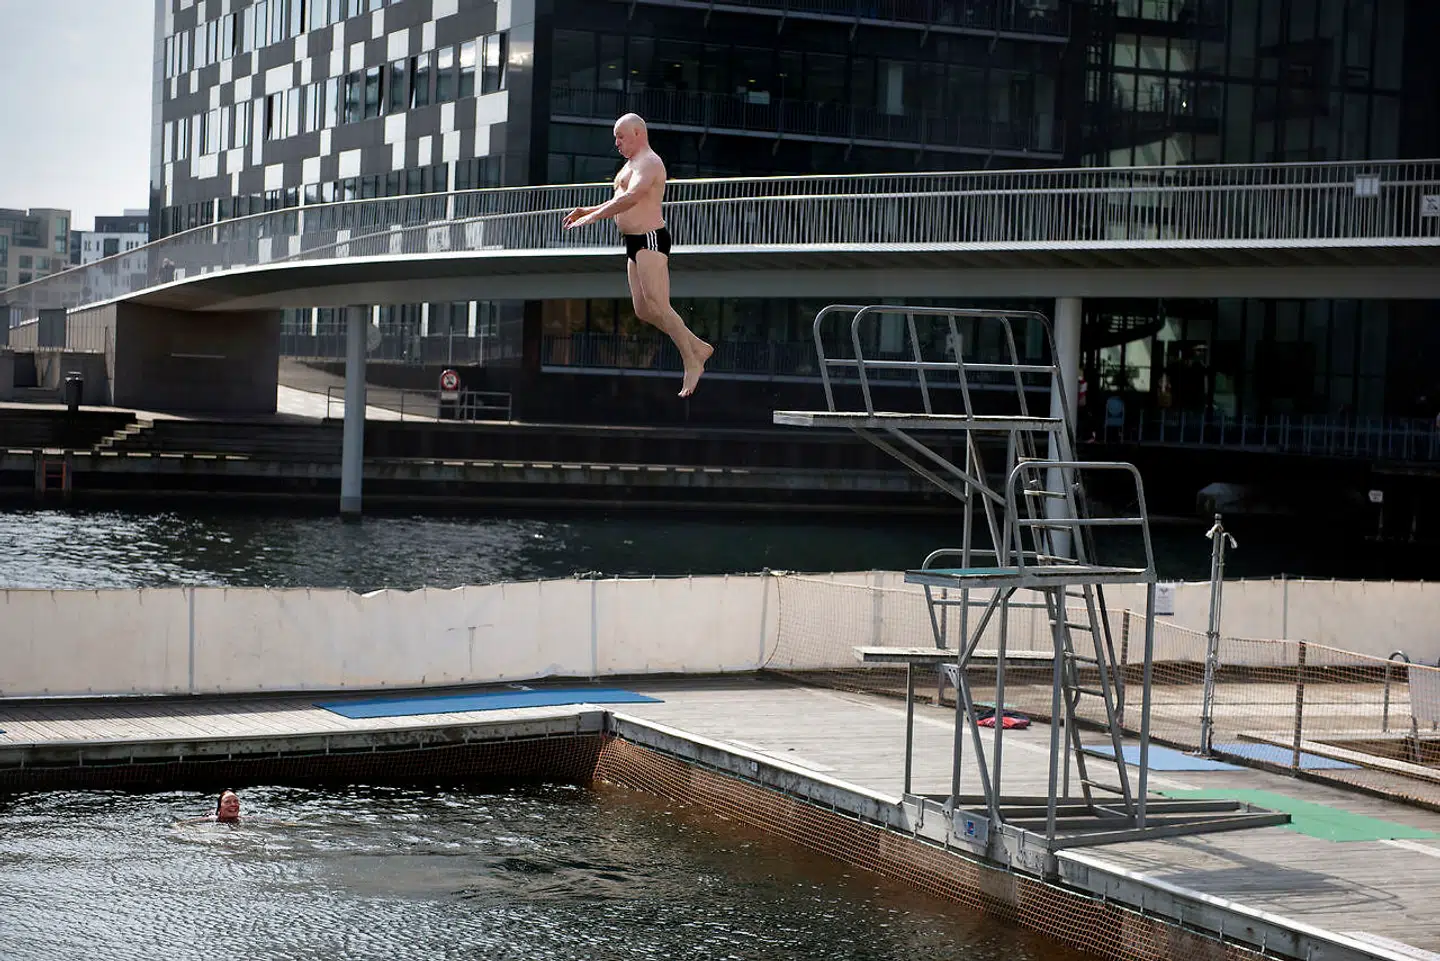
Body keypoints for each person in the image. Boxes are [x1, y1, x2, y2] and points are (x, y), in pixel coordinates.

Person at [562, 113, 714, 398]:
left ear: (637, 133)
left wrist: (594, 218)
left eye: (620, 137)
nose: (616, 143)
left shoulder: (651, 163)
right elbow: (620, 197)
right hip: (632, 243)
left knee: (660, 303)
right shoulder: (630, 165)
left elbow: (631, 198)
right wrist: (587, 210)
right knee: (643, 310)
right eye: (615, 138)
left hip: (650, 240)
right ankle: (698, 345)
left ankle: (692, 361)